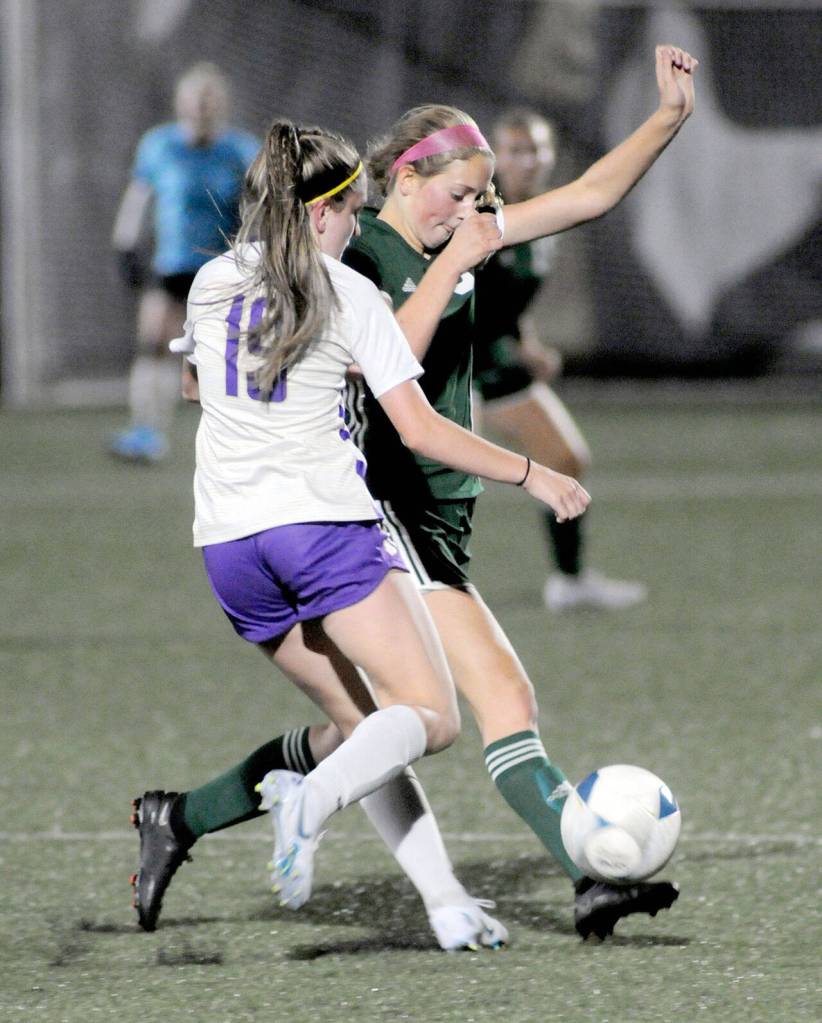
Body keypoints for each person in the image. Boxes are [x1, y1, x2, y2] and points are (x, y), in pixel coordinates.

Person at [134, 43, 695, 943]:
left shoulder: (430, 236)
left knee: (360, 726)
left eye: (483, 196)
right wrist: (533, 469)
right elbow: (393, 367)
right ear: (399, 180)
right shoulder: (355, 260)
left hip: (350, 524)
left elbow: (589, 197)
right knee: (468, 705)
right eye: (459, 191)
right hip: (373, 515)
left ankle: (184, 816)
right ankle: (588, 878)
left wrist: (665, 121)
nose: (476, 209)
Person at [472, 108, 648, 612]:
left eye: (537, 150)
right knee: (436, 482)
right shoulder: (481, 214)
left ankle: (569, 582)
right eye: (515, 151)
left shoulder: (543, 216)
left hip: (498, 359)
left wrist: (527, 345)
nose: (527, 161)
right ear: (495, 158)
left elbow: (506, 301)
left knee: (566, 461)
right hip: (459, 364)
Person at [110, 62, 259, 462]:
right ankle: (146, 431)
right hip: (172, 263)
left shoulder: (240, 150)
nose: (202, 106)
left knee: (231, 351)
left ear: (221, 104)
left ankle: (242, 435)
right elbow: (139, 197)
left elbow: (261, 204)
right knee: (154, 344)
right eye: (195, 98)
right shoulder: (159, 145)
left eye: (209, 99)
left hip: (223, 266)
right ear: (181, 103)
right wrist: (125, 244)